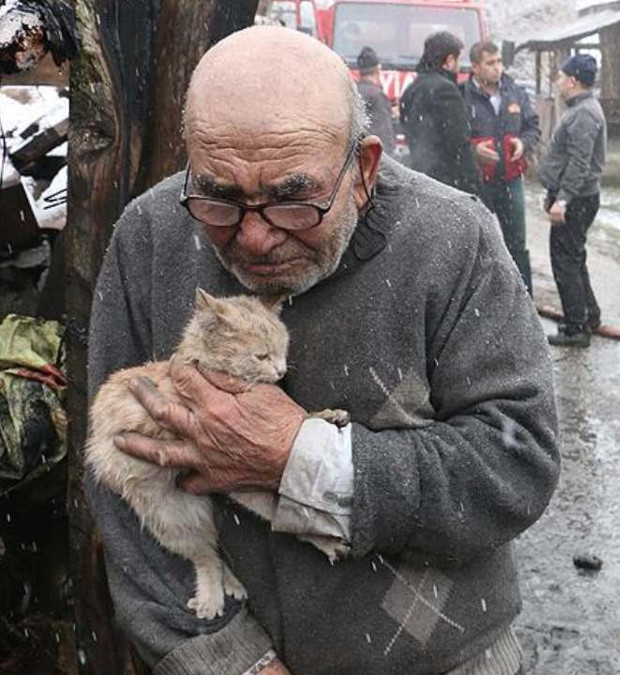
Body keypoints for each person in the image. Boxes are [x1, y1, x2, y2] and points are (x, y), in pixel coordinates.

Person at [85, 26, 557, 675]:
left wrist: (301, 459)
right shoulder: (151, 236)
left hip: (450, 660)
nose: (254, 237)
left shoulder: (453, 239)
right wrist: (227, 661)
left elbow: (516, 464)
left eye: (292, 200)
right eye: (220, 197)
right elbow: (116, 483)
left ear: (363, 170)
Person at [538, 54, 606, 347]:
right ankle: (589, 314)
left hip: (577, 198)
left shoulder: (584, 114)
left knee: (565, 261)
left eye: (561, 76)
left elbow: (580, 162)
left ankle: (577, 327)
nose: (558, 82)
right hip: (576, 195)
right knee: (574, 257)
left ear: (573, 81)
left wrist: (563, 199)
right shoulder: (582, 109)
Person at [463, 40, 540, 294]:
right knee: (477, 244)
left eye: (499, 62)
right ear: (475, 67)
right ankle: (484, 299)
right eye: (490, 63)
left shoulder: (514, 92)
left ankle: (524, 298)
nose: (497, 68)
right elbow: (454, 138)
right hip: (478, 182)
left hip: (511, 180)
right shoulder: (463, 96)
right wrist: (474, 151)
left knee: (517, 243)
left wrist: (523, 143)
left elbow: (533, 127)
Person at [399, 30, 479, 193]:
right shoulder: (446, 91)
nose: (459, 67)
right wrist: (473, 184)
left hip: (419, 178)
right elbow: (458, 143)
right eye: (458, 60)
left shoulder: (411, 90)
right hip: (446, 183)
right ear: (449, 61)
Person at [355, 46, 396, 156]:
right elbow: (384, 132)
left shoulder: (353, 91)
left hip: (357, 152)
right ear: (378, 69)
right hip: (374, 155)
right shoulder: (377, 95)